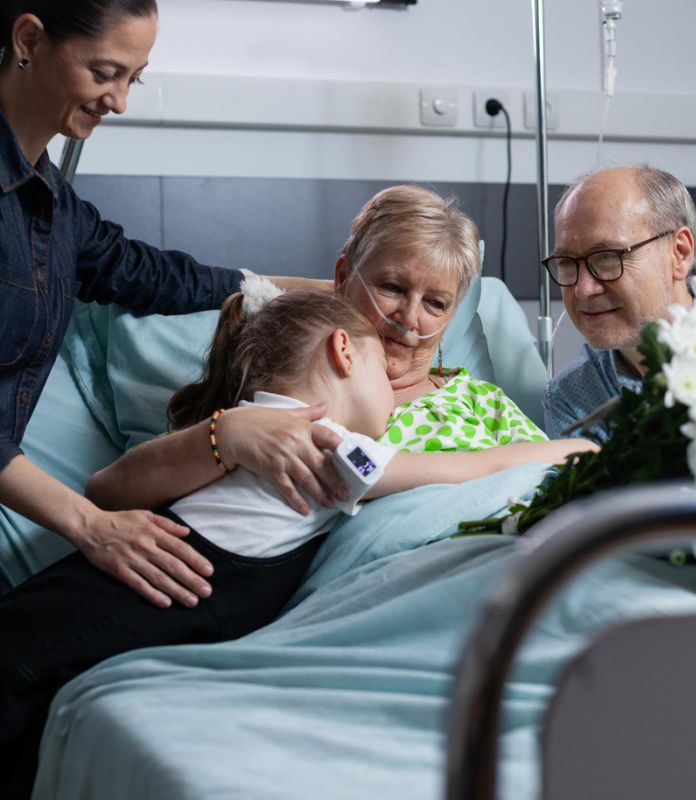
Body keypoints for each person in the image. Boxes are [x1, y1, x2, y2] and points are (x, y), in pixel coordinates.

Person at [0, 284, 592, 799]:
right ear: (342, 351)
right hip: (137, 597)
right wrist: (577, 448)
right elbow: (465, 469)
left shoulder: (252, 421)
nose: (394, 396)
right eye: (382, 375)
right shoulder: (330, 444)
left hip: (116, 589)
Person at [0, 0, 332, 607]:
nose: (120, 101)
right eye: (104, 73)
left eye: (134, 78)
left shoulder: (50, 204)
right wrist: (89, 525)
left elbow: (149, 274)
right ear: (28, 39)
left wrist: (329, 290)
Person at [87, 184, 597, 532]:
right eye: (392, 286)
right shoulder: (289, 380)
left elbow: (563, 495)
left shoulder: (484, 404)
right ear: (342, 277)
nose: (409, 317)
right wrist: (227, 434)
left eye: (437, 303)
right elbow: (110, 492)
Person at [542, 165, 696, 440]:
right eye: (567, 263)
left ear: (679, 253)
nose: (583, 290)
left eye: (607, 257)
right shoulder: (570, 399)